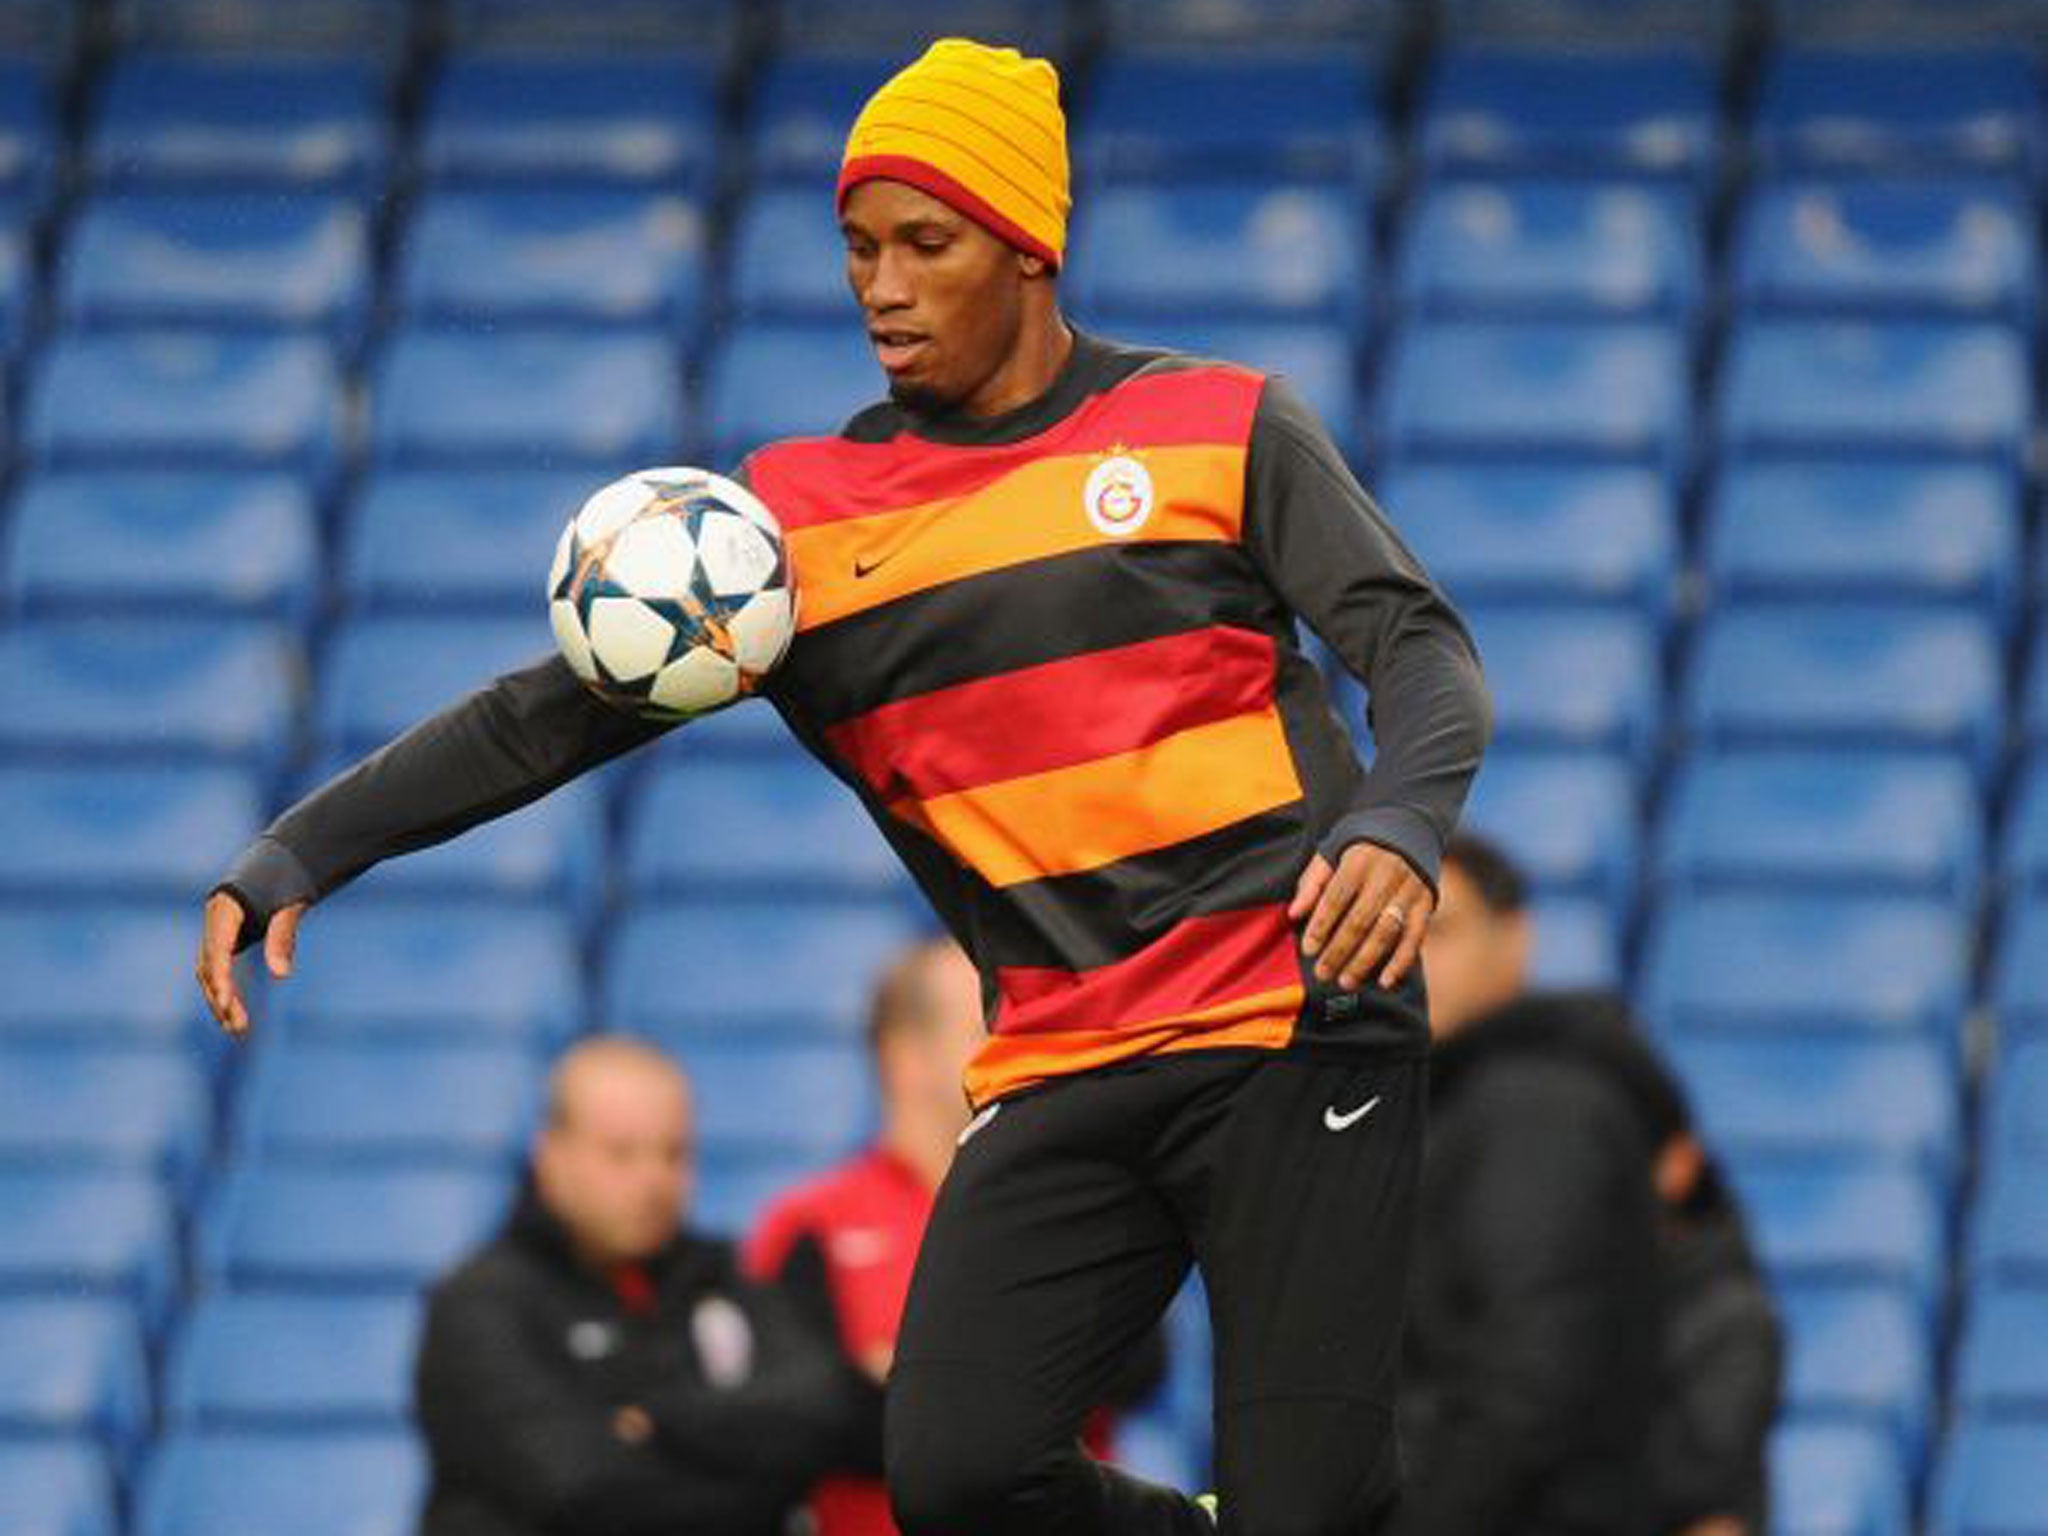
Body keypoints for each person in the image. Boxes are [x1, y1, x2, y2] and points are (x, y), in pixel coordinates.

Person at [198, 38, 1490, 1536]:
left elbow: (1423, 651)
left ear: (1026, 249)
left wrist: (1400, 824)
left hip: (1296, 1024)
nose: (880, 284)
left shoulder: (1218, 427)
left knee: (1311, 1504)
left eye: (923, 245)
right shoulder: (793, 538)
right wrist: (301, 850)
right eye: (858, 248)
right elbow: (543, 718)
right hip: (1067, 1058)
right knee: (956, 1478)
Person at [1411, 832, 1780, 1536]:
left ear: (1515, 940)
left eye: (1441, 931)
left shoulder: (1531, 1107)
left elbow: (1533, 1371)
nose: (1412, 961)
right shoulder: (1442, 1104)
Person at [745, 935, 1162, 1536]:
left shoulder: (1083, 1204)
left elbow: (1139, 1367)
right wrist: (1035, 1360)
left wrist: (912, 1372)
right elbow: (811, 1420)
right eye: (991, 1026)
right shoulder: (814, 1224)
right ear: (904, 1058)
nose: (1023, 1052)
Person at [412, 1036, 865, 1536]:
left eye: (673, 1154)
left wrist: (661, 1420)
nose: (653, 1179)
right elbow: (582, 1494)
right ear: (551, 1156)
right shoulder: (479, 1304)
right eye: (621, 1154)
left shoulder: (720, 1278)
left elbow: (825, 1410)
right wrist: (767, 1479)